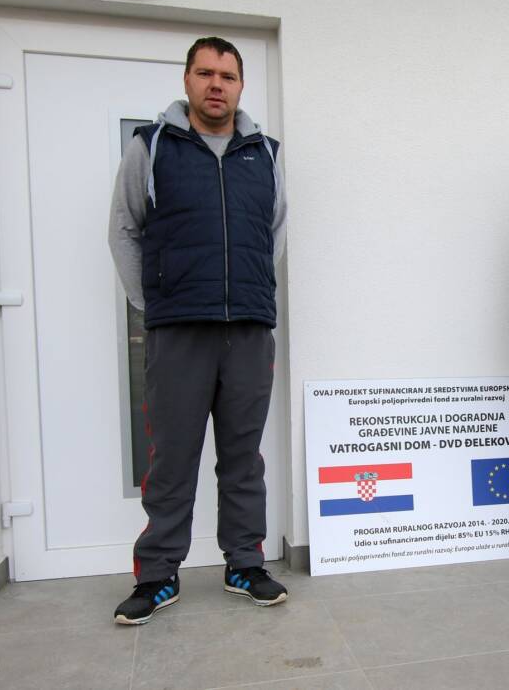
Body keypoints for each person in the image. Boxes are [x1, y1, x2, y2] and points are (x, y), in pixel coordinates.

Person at [109, 37, 288, 624]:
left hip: (248, 331)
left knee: (243, 458)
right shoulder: (153, 146)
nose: (217, 85)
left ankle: (245, 564)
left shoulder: (265, 154)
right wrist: (157, 303)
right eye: (206, 73)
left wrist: (247, 292)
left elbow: (272, 233)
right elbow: (124, 230)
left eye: (227, 76)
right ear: (187, 80)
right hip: (179, 331)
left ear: (240, 86)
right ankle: (158, 573)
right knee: (172, 458)